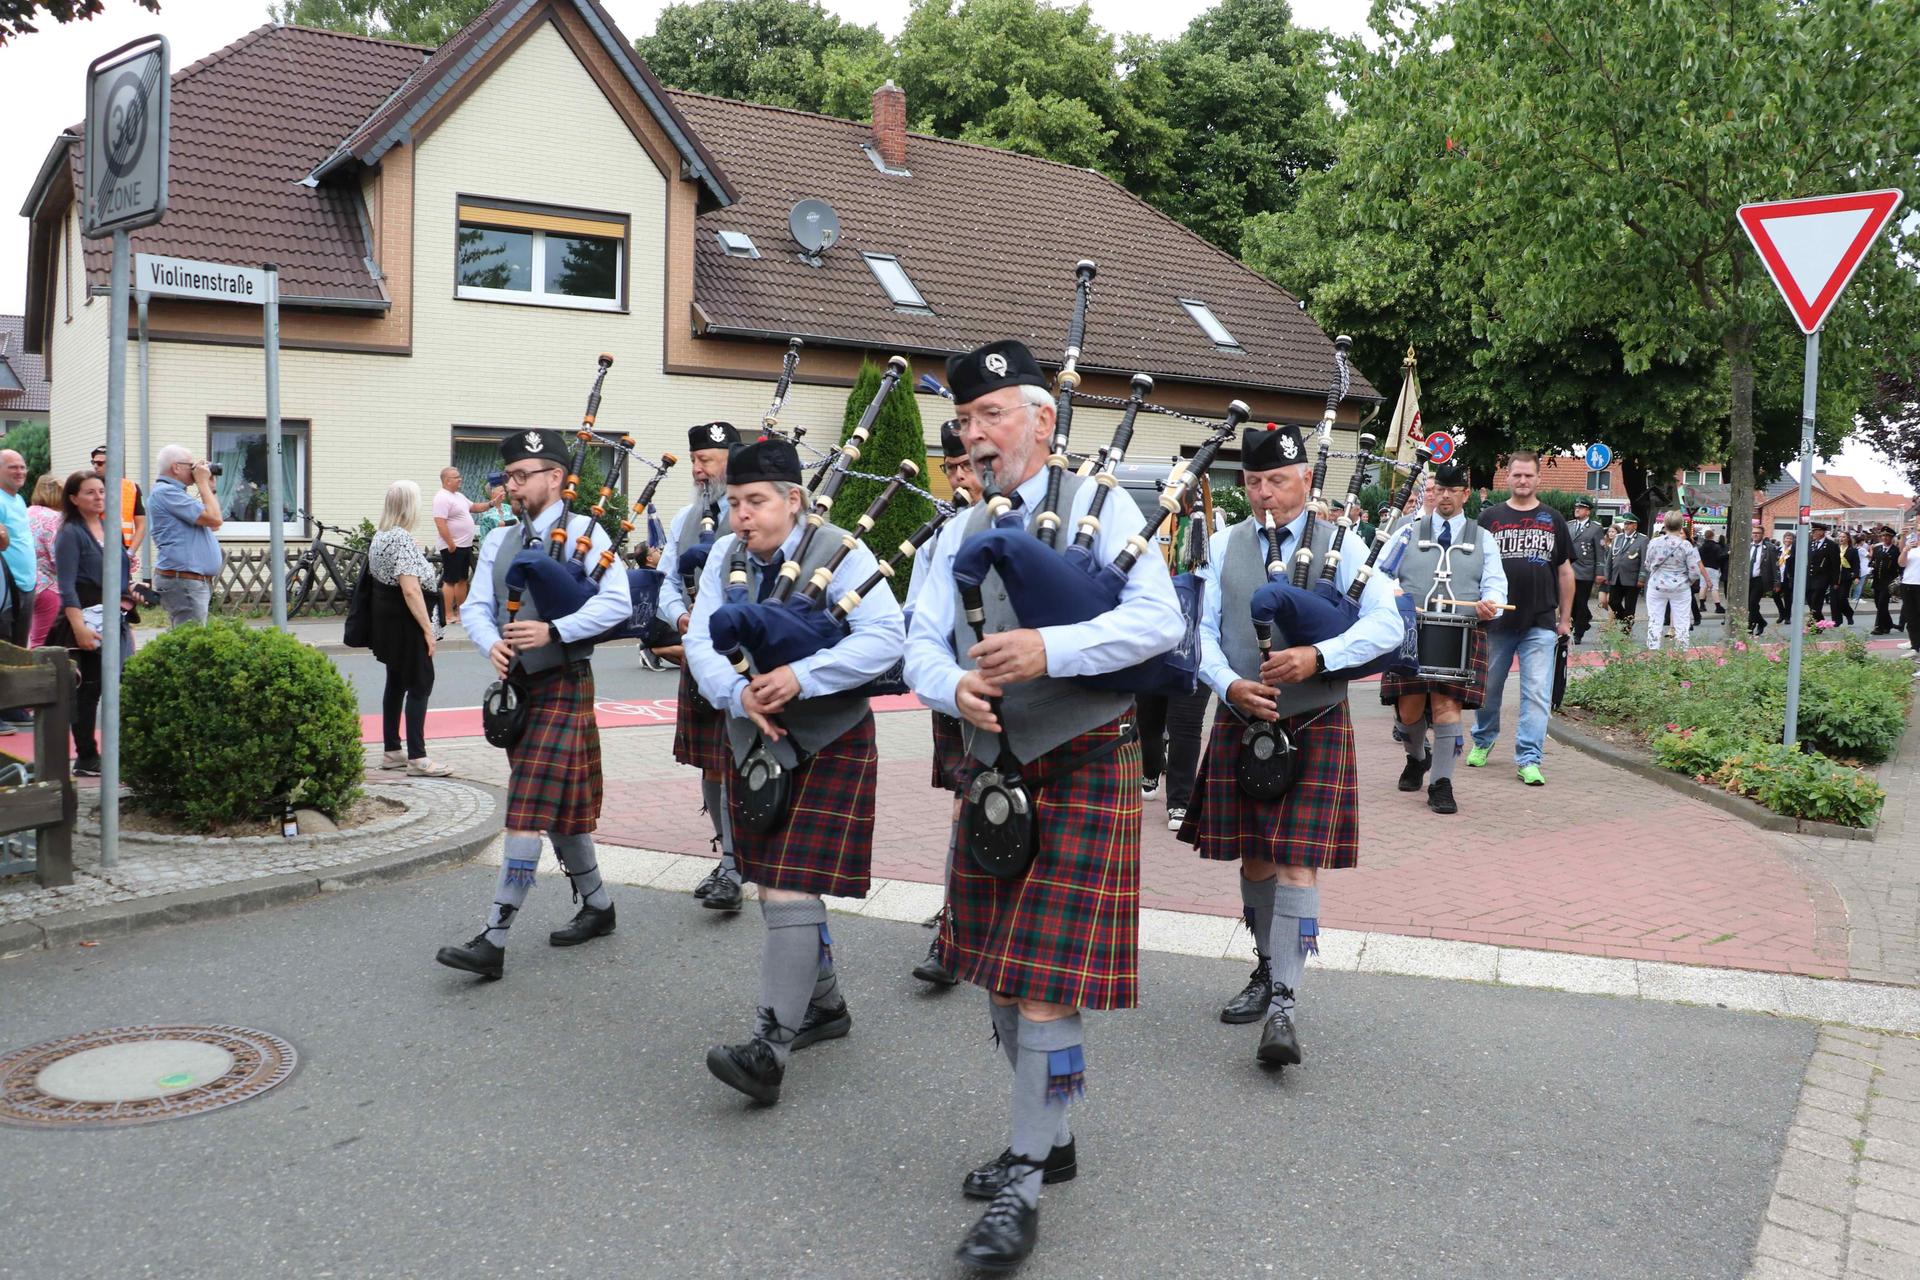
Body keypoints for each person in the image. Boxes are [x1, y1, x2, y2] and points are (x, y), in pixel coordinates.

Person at [904, 340, 1183, 1271]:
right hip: (992, 766)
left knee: (1044, 982)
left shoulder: (1104, 510)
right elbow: (916, 646)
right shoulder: (949, 532)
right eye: (966, 420)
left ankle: (1025, 1179)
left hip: (1083, 755)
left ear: (1042, 421)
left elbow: (1159, 624)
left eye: (991, 417)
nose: (973, 435)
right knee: (994, 970)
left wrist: (1049, 654)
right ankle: (1053, 1133)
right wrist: (953, 689)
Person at [684, 434, 905, 1107]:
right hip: (752, 735)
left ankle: (768, 1048)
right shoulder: (725, 554)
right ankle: (826, 1005)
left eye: (754, 501)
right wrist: (737, 692)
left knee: (786, 887)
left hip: (827, 735)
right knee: (773, 886)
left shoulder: (840, 550)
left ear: (795, 501)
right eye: (733, 502)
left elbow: (884, 637)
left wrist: (799, 677)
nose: (740, 515)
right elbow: (700, 638)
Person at [1181, 419, 1401, 1047]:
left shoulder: (1346, 543)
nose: (1264, 493)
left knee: (1299, 862)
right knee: (1255, 857)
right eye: (1253, 482)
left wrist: (1320, 657)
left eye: (1277, 480)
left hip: (1317, 716)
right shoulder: (1225, 546)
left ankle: (1285, 1000)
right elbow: (1200, 633)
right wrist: (1229, 685)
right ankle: (1266, 962)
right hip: (1244, 717)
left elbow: (1387, 625)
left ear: (1305, 478)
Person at [438, 429, 632, 980]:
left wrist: (556, 629)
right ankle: (598, 906)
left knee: (526, 807)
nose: (513, 486)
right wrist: (490, 643)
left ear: (555, 477)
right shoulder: (500, 539)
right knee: (560, 813)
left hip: (565, 679)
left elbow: (617, 604)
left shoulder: (587, 535)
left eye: (524, 476)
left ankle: (493, 938)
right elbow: (477, 607)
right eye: (509, 477)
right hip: (518, 689)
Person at [656, 421, 746, 913]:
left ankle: (743, 859)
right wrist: (683, 618)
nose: (697, 468)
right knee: (713, 764)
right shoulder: (684, 518)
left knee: (741, 761)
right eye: (695, 459)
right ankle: (729, 861)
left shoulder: (756, 514)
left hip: (749, 657)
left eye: (706, 459)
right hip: (699, 650)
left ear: (730, 460)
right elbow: (668, 580)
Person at [1381, 463, 1507, 813]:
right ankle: (1417, 757)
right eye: (1440, 490)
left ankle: (1441, 783)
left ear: (1466, 494)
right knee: (1408, 710)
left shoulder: (1483, 538)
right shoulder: (1407, 532)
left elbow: (1495, 584)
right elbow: (1380, 573)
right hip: (1410, 631)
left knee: (1445, 704)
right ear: (1433, 492)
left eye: (1453, 490)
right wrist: (1395, 595)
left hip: (1460, 632)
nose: (1445, 496)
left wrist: (1490, 605)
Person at [908, 419, 979, 988]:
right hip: (959, 692)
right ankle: (953, 931)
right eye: (952, 468)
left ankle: (982, 912)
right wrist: (948, 681)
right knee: (966, 803)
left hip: (1028, 696)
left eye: (967, 466)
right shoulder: (935, 537)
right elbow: (916, 621)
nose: (960, 477)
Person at [1468, 451, 1573, 785]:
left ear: (1538, 479)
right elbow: (1473, 568)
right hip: (1496, 622)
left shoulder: (1554, 519)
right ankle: (1483, 739)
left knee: (1537, 693)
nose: (1523, 481)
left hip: (1540, 620)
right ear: (1508, 478)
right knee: (1487, 689)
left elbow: (1565, 572)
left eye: (1529, 475)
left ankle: (1529, 757)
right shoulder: (1490, 518)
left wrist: (1565, 619)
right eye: (1517, 475)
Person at [46, 471, 135, 776]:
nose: (99, 497)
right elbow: (66, 586)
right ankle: (87, 757)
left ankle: (118, 752)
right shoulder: (71, 533)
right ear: (73, 499)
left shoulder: (108, 527)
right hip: (86, 617)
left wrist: (133, 592)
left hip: (115, 616)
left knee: (123, 683)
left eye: (101, 491)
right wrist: (80, 628)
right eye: (90, 493)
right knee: (90, 690)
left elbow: (118, 572)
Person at [1136, 481, 1212, 831]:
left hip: (1195, 643)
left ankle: (1179, 800)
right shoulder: (1149, 533)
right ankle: (1151, 771)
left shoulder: (1214, 533)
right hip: (1153, 642)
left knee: (1185, 725)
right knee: (1149, 720)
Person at [367, 481, 453, 777]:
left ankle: (392, 751)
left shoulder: (381, 535)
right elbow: (411, 590)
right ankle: (418, 757)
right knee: (420, 683)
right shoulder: (401, 538)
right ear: (409, 506)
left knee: (396, 683)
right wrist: (428, 630)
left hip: (387, 621)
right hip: (407, 622)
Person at [147, 445, 225, 627]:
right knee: (190, 642)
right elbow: (215, 519)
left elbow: (212, 525)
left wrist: (210, 488)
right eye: (191, 465)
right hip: (184, 580)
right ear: (176, 467)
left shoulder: (174, 494)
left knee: (190, 639)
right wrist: (203, 484)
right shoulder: (166, 492)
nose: (195, 469)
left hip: (189, 580)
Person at [431, 467, 497, 641]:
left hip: (464, 545)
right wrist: (450, 543)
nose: (460, 479)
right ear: (446, 481)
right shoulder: (441, 498)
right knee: (450, 580)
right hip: (453, 546)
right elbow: (440, 522)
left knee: (461, 579)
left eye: (460, 476)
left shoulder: (459, 497)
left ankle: (460, 612)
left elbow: (474, 507)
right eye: (456, 477)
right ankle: (448, 614)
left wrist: (491, 503)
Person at [0, 450, 37, 731]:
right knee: (3, 647)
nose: (20, 472)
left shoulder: (18, 499)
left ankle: (13, 706)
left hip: (26, 583)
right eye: (13, 467)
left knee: (16, 647)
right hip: (5, 586)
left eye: (23, 467)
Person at [1642, 512, 1703, 651]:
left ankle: (1653, 651)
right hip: (1680, 587)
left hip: (1657, 586)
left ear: (1665, 525)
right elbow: (1694, 571)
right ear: (1681, 525)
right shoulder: (1686, 545)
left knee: (1655, 620)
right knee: (1682, 621)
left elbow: (1647, 564)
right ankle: (1680, 654)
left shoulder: (1654, 542)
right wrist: (1688, 581)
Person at [89, 444, 145, 574]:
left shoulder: (132, 488)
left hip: (122, 551)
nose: (96, 466)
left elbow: (141, 525)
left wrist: (130, 553)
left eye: (100, 463)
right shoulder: (88, 487)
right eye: (94, 462)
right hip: (95, 550)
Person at [26, 475, 64, 648]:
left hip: (26, 583)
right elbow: (59, 557)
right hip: (50, 586)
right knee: (44, 643)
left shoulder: (26, 512)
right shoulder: (56, 518)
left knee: (25, 638)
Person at [1567, 497, 1607, 643]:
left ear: (1588, 511)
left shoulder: (1595, 528)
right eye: (1576, 507)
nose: (1577, 510)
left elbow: (1600, 552)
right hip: (1569, 570)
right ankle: (1580, 624)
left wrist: (1600, 573)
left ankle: (1579, 632)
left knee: (1581, 601)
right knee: (1570, 601)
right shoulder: (1569, 525)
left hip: (1585, 571)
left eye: (1581, 508)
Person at [1603, 513, 1646, 625]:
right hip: (1616, 576)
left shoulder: (1642, 539)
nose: (1626, 526)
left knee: (1630, 606)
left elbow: (1644, 560)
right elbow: (1610, 558)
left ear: (1635, 526)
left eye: (1629, 524)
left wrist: (1642, 577)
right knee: (1613, 602)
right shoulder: (1618, 538)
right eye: (1625, 523)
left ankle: (1626, 630)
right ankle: (1625, 621)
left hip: (1632, 578)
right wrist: (1607, 575)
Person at [1745, 520, 1780, 637]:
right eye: (1754, 533)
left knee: (1753, 602)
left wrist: (1777, 582)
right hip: (1747, 579)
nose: (1755, 535)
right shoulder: (1747, 546)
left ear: (1762, 535)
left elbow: (1775, 567)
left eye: (1758, 533)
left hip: (1760, 580)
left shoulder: (1769, 548)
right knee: (1750, 605)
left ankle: (1749, 628)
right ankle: (1761, 622)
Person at [1803, 522, 1840, 623]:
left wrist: (1835, 581)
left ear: (1822, 532)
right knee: (1810, 600)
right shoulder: (1810, 543)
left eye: (1815, 531)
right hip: (1810, 577)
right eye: (1813, 531)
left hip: (1822, 578)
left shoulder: (1831, 545)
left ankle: (1813, 624)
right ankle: (1821, 621)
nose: (1813, 533)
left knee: (1816, 601)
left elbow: (1835, 565)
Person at [1870, 527, 1900, 635]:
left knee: (1882, 603)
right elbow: (1872, 561)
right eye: (1883, 536)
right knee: (1878, 604)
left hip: (1888, 581)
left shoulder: (1895, 550)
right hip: (1877, 580)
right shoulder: (1877, 549)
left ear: (1891, 538)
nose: (1885, 538)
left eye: (1887, 536)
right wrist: (1871, 567)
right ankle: (1888, 624)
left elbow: (1899, 566)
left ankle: (1878, 627)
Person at [1900, 526, 1920, 660]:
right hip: (1908, 584)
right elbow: (1901, 564)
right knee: (1911, 618)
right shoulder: (1911, 547)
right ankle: (1915, 647)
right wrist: (1905, 550)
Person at [1833, 530, 1860, 627]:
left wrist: (1856, 576)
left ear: (1848, 539)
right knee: (1834, 600)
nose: (1841, 539)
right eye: (1840, 537)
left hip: (1846, 576)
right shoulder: (1835, 549)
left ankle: (1849, 613)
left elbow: (1856, 565)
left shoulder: (1852, 550)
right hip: (1835, 576)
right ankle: (1837, 620)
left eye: (1843, 537)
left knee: (1842, 598)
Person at [1699, 528, 1727, 615]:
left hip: (1703, 568)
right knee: (1714, 587)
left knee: (1703, 586)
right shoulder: (1716, 547)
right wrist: (1727, 555)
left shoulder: (1701, 547)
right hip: (1713, 568)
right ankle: (1718, 606)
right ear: (1712, 536)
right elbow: (1720, 557)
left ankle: (1702, 605)